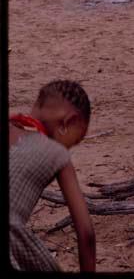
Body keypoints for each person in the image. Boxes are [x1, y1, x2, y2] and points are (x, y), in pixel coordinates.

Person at [9, 80, 96, 272]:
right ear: (68, 123)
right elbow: (86, 233)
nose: (70, 147)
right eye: (76, 139)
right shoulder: (57, 154)